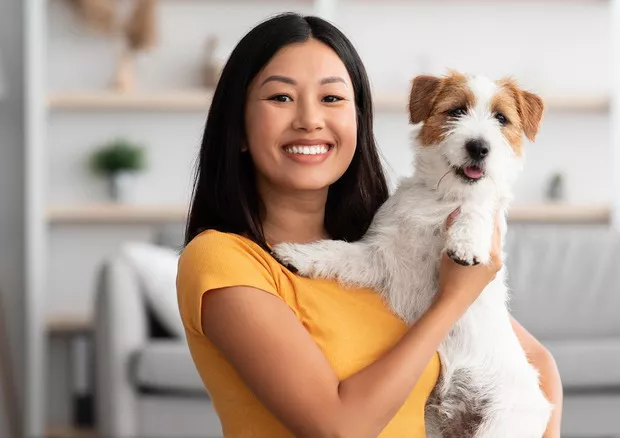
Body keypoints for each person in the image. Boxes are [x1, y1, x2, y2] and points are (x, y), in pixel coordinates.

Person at [177, 12, 563, 438]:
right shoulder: (223, 261)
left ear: (359, 122)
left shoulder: (387, 236)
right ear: (239, 128)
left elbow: (538, 367)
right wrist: (451, 299)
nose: (309, 119)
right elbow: (341, 428)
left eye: (332, 98)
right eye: (281, 98)